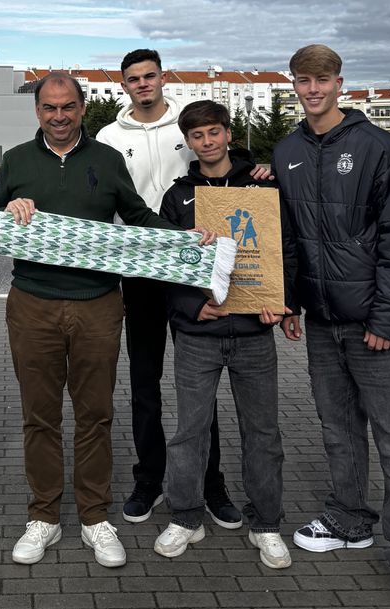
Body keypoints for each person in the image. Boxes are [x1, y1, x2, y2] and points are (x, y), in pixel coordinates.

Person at [0, 72, 215, 568]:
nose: (59, 116)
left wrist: (184, 237)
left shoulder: (108, 160)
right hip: (32, 303)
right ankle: (42, 516)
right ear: (37, 111)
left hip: (99, 304)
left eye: (68, 107)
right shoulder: (18, 160)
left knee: (95, 416)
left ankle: (94, 517)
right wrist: (8, 207)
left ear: (83, 108)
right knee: (39, 418)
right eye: (49, 108)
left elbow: (138, 217)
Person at [274, 44, 390, 609]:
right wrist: (291, 302)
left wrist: (387, 319)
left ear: (340, 83)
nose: (312, 89)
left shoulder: (378, 148)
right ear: (293, 84)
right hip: (322, 323)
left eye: (322, 80)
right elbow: (291, 239)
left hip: (374, 326)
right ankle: (348, 520)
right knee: (339, 430)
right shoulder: (289, 148)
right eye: (303, 80)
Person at [96, 48, 241, 527]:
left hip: (192, 271)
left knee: (201, 382)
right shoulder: (109, 136)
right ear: (124, 85)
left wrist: (257, 169)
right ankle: (149, 479)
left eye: (150, 76)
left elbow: (224, 164)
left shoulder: (188, 127)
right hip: (139, 270)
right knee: (145, 383)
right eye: (133, 79)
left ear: (162, 78)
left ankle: (211, 482)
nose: (143, 84)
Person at [154, 100, 296, 568]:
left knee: (262, 433)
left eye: (214, 132)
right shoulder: (179, 196)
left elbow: (284, 248)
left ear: (228, 134)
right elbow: (166, 265)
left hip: (255, 332)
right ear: (188, 142)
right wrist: (192, 306)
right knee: (189, 433)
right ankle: (186, 517)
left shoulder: (262, 183)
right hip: (199, 335)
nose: (207, 142)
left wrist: (284, 300)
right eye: (197, 136)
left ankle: (268, 524)